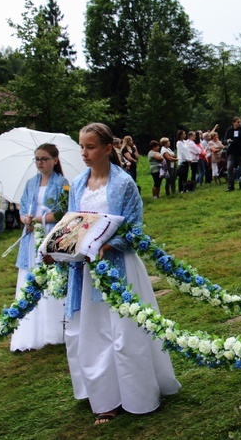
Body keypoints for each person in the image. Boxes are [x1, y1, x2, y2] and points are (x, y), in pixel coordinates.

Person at [64, 123, 180, 424]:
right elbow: (72, 223)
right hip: (87, 270)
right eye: (81, 146)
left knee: (125, 331)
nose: (84, 153)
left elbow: (135, 229)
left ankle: (137, 393)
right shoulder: (77, 184)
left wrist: (108, 244)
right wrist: (63, 246)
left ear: (106, 148)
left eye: (90, 147)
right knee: (95, 332)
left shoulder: (123, 183)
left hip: (119, 267)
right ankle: (106, 399)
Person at [10, 143, 68, 352]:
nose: (40, 163)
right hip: (31, 234)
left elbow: (63, 211)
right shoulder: (30, 184)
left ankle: (53, 330)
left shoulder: (63, 183)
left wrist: (39, 218)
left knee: (49, 278)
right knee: (30, 277)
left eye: (44, 159)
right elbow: (24, 206)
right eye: (37, 159)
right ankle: (29, 333)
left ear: (54, 160)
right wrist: (25, 218)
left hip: (50, 234)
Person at [223, 116, 241, 192]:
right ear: (233, 123)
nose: (239, 123)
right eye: (238, 122)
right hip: (232, 152)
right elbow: (224, 140)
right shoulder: (229, 130)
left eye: (240, 122)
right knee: (229, 168)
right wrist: (227, 141)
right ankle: (230, 185)